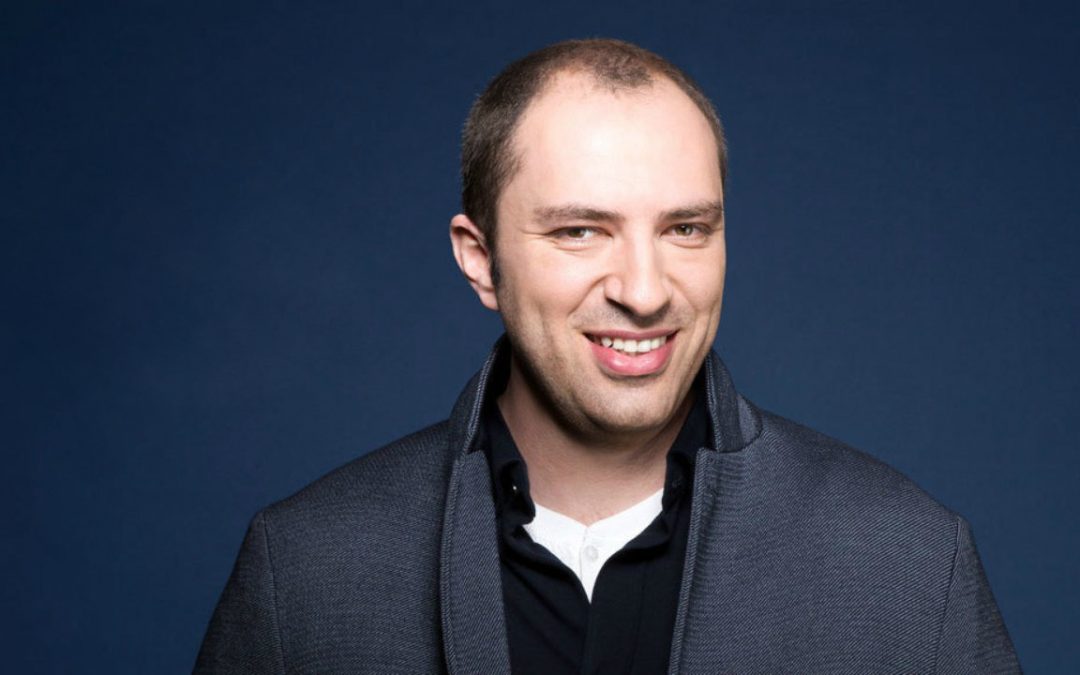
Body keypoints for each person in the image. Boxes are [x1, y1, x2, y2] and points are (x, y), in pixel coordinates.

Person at [195, 39, 1020, 674]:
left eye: (685, 229)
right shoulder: (305, 572)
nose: (645, 290)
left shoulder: (909, 565)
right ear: (480, 259)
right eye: (581, 230)